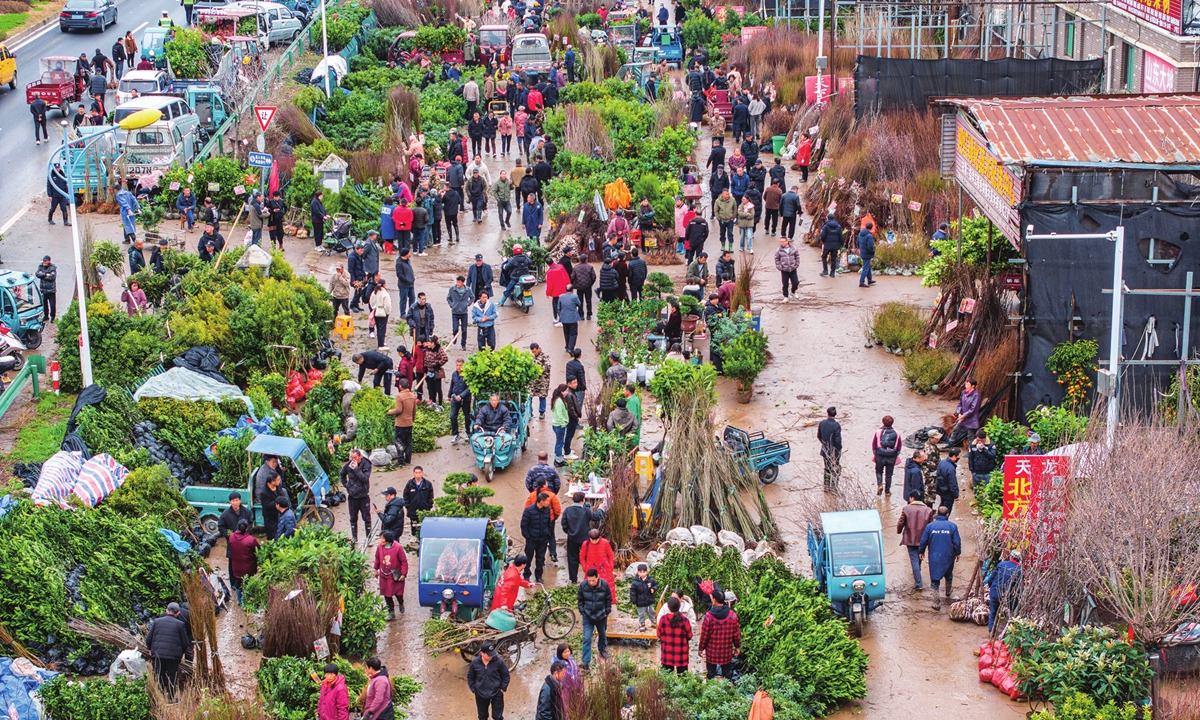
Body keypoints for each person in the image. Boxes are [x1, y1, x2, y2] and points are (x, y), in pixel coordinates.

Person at [918, 506, 962, 609]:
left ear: (937, 514)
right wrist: (957, 553)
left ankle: (936, 602)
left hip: (934, 557)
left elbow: (924, 540)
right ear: (947, 515)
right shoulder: (952, 526)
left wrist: (921, 551)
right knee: (948, 574)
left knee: (935, 579)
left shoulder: (930, 526)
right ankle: (948, 592)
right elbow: (957, 542)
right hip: (948, 556)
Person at [145, 602, 193, 694]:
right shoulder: (180, 624)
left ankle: (161, 695)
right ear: (178, 613)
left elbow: (148, 639)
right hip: (173, 656)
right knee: (172, 676)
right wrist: (180, 653)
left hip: (158, 654)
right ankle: (171, 697)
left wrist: (150, 650)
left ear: (166, 611)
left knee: (160, 674)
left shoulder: (156, 621)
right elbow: (185, 643)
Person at [698, 590, 741, 680]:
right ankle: (727, 691)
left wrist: (701, 648)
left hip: (711, 653)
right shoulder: (732, 615)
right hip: (726, 653)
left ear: (714, 600)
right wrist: (737, 647)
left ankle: (710, 690)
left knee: (711, 674)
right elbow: (736, 634)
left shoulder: (709, 616)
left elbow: (705, 635)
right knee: (727, 675)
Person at [897, 491, 934, 591]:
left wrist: (899, 531)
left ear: (912, 498)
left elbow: (901, 522)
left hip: (910, 538)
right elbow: (931, 525)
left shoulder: (906, 509)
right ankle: (917, 574)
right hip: (923, 539)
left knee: (913, 559)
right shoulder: (928, 510)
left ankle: (918, 582)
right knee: (919, 557)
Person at [577, 569, 612, 668]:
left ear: (597, 577)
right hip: (587, 616)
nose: (591, 583)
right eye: (589, 581)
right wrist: (582, 611)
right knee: (587, 638)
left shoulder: (604, 585)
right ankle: (585, 661)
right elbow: (580, 599)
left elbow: (608, 599)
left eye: (593, 580)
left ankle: (602, 649)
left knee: (602, 634)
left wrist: (606, 611)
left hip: (601, 616)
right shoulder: (583, 585)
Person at [468, 642, 510, 720]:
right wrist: (473, 689)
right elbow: (470, 677)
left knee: (497, 717)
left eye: (492, 654)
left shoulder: (499, 661)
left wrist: (503, 688)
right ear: (482, 653)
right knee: (482, 717)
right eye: (489, 655)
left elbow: (506, 675)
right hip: (480, 694)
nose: (491, 656)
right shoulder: (475, 663)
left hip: (496, 693)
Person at [340, 448, 373, 544]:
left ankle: (369, 538)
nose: (353, 459)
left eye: (355, 457)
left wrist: (356, 469)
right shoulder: (348, 465)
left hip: (363, 496)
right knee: (353, 517)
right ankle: (355, 537)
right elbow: (342, 474)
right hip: (352, 496)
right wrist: (346, 485)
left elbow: (364, 478)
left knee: (366, 517)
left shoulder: (367, 465)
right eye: (351, 457)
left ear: (360, 457)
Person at [986, 550, 1022, 632]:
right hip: (1008, 595)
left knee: (993, 613)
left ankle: (991, 631)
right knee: (1014, 612)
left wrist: (991, 588)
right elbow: (1018, 588)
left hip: (995, 591)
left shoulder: (1001, 564)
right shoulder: (1019, 570)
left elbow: (990, 580)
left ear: (1011, 557)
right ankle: (1011, 631)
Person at [521, 492, 554, 583]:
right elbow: (524, 525)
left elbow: (549, 523)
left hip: (543, 539)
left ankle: (538, 576)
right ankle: (526, 575)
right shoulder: (529, 511)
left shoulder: (547, 510)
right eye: (547, 501)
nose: (548, 502)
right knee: (528, 558)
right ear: (541, 501)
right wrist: (528, 537)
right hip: (532, 540)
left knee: (540, 558)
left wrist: (547, 535)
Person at [375, 530, 408, 619]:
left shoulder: (398, 547)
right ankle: (391, 612)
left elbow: (403, 561)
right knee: (387, 594)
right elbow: (377, 558)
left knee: (398, 593)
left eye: (382, 539)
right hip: (384, 575)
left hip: (395, 576)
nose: (380, 540)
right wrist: (376, 569)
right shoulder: (379, 547)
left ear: (388, 540)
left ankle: (401, 602)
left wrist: (403, 574)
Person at [656, 595, 693, 673]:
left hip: (667, 653)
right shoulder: (685, 620)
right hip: (681, 654)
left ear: (668, 607)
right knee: (683, 679)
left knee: (667, 679)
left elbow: (659, 634)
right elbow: (690, 636)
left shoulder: (663, 619)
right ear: (679, 606)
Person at [580, 529, 617, 602]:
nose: (594, 541)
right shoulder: (586, 544)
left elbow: (611, 555)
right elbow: (582, 557)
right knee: (591, 585)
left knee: (608, 585)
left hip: (604, 569)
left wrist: (610, 566)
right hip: (591, 569)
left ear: (599, 537)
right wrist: (585, 567)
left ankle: (609, 601)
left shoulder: (605, 543)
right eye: (592, 540)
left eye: (595, 540)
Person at [227, 519, 259, 605]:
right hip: (248, 567)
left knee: (238, 582)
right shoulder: (250, 540)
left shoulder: (231, 537)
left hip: (236, 566)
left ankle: (239, 600)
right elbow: (258, 550)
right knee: (247, 583)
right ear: (247, 528)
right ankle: (246, 602)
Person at [871, 415, 902, 496]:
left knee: (878, 471)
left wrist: (876, 453)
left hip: (880, 455)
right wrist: (895, 454)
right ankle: (887, 491)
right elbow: (899, 446)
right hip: (891, 456)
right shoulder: (897, 433)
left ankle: (880, 484)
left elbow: (874, 445)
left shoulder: (878, 432)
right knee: (889, 475)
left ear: (883, 422)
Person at [947, 378, 982, 447]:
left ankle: (970, 450)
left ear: (973, 386)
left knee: (970, 435)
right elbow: (960, 403)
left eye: (968, 384)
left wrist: (964, 416)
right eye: (966, 384)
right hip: (962, 417)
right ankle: (950, 444)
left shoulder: (976, 395)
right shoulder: (964, 392)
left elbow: (973, 408)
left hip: (971, 418)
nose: (966, 385)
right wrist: (959, 413)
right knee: (955, 429)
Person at [255, 455, 284, 537]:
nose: (275, 464)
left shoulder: (276, 485)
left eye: (276, 462)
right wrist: (278, 503)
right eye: (273, 462)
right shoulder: (266, 473)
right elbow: (267, 505)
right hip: (270, 516)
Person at [817, 407, 842, 491]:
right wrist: (838, 449)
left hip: (825, 450)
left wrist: (824, 443)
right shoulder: (836, 425)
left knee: (827, 468)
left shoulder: (822, 423)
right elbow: (838, 440)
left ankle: (826, 487)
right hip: (835, 451)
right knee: (835, 468)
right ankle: (834, 487)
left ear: (827, 413)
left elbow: (819, 436)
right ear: (835, 414)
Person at [448, 358, 472, 444]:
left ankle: (468, 433)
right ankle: (455, 434)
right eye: (457, 365)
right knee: (452, 416)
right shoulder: (454, 374)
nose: (458, 367)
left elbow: (469, 388)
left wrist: (461, 396)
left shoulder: (467, 374)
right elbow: (452, 384)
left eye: (460, 365)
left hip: (465, 399)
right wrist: (449, 395)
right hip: (455, 398)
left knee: (467, 416)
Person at [630, 563, 659, 631]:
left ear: (647, 572)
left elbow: (656, 585)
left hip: (649, 601)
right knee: (641, 613)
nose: (642, 573)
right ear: (637, 572)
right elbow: (632, 592)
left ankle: (653, 622)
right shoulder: (635, 583)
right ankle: (642, 624)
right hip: (640, 602)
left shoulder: (650, 580)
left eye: (644, 572)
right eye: (640, 572)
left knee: (651, 611)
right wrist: (634, 601)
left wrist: (653, 589)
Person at [935, 447, 961, 516]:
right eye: (958, 456)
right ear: (954, 456)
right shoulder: (951, 468)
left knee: (942, 504)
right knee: (946, 509)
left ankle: (938, 515)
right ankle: (943, 522)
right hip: (948, 492)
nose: (959, 458)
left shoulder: (942, 462)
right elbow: (952, 483)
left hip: (941, 489)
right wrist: (956, 495)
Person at [774, 236, 800, 303]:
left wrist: (796, 264)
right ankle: (786, 297)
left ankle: (793, 292)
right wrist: (779, 267)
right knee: (785, 284)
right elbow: (776, 259)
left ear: (787, 241)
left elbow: (797, 256)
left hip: (793, 269)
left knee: (796, 282)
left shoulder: (793, 249)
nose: (781, 243)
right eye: (780, 242)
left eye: (783, 242)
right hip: (784, 270)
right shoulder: (779, 250)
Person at [529, 343, 552, 418]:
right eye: (533, 352)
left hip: (542, 381)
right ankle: (529, 412)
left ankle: (542, 412)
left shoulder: (545, 357)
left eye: (535, 351)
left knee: (542, 396)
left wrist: (539, 369)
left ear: (538, 348)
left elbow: (548, 366)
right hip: (533, 382)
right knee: (529, 396)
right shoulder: (531, 357)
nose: (534, 353)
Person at [369, 279, 393, 349]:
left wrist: (374, 307)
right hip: (383, 312)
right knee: (382, 328)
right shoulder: (385, 293)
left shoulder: (374, 292)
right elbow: (387, 305)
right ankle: (381, 345)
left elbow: (371, 301)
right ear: (384, 284)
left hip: (376, 311)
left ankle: (381, 342)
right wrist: (387, 312)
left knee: (378, 328)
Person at [33, 256, 57, 323]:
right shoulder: (41, 266)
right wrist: (46, 274)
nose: (44, 262)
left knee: (52, 304)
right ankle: (46, 316)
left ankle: (52, 316)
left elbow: (52, 277)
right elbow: (37, 274)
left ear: (49, 261)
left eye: (45, 261)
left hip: (51, 290)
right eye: (43, 260)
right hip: (43, 289)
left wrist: (42, 276)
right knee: (44, 304)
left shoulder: (52, 267)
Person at [818, 212, 842, 277]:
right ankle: (832, 272)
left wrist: (824, 242)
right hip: (835, 246)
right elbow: (841, 237)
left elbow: (822, 236)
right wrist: (841, 245)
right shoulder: (838, 226)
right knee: (833, 259)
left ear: (827, 218)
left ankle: (825, 270)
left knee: (824, 257)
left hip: (827, 245)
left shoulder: (825, 226)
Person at [857, 221, 876, 288]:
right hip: (867, 253)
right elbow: (870, 246)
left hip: (862, 252)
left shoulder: (860, 234)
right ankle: (861, 282)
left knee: (868, 266)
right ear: (871, 227)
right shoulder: (869, 236)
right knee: (865, 268)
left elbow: (857, 243)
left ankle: (869, 279)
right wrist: (873, 251)